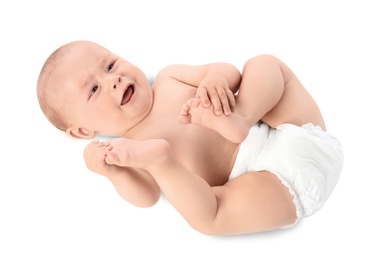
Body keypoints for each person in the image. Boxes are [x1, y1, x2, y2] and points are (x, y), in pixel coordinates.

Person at [37, 40, 343, 235]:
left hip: (294, 133)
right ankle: (164, 163)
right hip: (266, 186)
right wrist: (111, 170)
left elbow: (227, 71)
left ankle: (242, 116)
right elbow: (145, 198)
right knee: (208, 217)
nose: (113, 80)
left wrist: (215, 80)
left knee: (264, 64)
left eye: (110, 64)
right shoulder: (129, 151)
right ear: (82, 131)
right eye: (93, 90)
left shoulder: (169, 77)